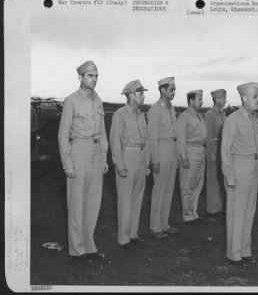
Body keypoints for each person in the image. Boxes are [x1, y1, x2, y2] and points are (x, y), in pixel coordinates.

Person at [58, 61, 109, 264]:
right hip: (78, 150)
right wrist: (67, 163)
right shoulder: (71, 101)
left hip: (96, 152)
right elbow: (63, 135)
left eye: (96, 75)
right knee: (77, 202)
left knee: (93, 202)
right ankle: (77, 250)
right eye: (90, 75)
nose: (94, 79)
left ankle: (89, 246)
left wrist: (104, 156)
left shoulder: (98, 101)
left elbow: (103, 131)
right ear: (80, 77)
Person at [221, 82, 258, 266]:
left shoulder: (255, 119)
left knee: (249, 212)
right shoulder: (233, 119)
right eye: (255, 96)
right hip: (238, 167)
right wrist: (229, 176)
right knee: (236, 213)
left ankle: (245, 249)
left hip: (253, 168)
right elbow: (225, 150)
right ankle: (234, 253)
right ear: (244, 98)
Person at [110, 80, 150, 250]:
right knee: (125, 199)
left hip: (140, 158)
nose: (144, 96)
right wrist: (120, 165)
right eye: (141, 94)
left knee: (137, 198)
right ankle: (123, 238)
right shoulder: (120, 114)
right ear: (132, 95)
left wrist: (147, 163)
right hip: (127, 156)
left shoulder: (141, 115)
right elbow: (115, 141)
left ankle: (133, 234)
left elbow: (146, 141)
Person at [147, 77, 180, 239]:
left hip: (172, 149)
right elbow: (152, 137)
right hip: (161, 149)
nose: (174, 92)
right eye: (171, 89)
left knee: (168, 189)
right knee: (159, 189)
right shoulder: (155, 110)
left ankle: (164, 223)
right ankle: (155, 226)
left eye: (174, 89)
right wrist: (155, 160)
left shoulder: (170, 108)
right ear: (162, 90)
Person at [177, 90, 207, 224]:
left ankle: (193, 212)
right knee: (187, 184)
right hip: (190, 150)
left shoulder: (199, 116)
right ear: (191, 101)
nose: (202, 102)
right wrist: (183, 156)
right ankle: (187, 214)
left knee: (197, 184)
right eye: (199, 99)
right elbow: (181, 138)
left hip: (201, 150)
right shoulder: (184, 117)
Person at [204, 89, 227, 216]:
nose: (225, 100)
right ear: (216, 99)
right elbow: (208, 136)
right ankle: (212, 207)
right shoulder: (209, 114)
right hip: (214, 147)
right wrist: (211, 153)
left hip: (223, 147)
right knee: (212, 178)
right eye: (223, 98)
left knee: (221, 177)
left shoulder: (223, 114)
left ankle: (220, 205)